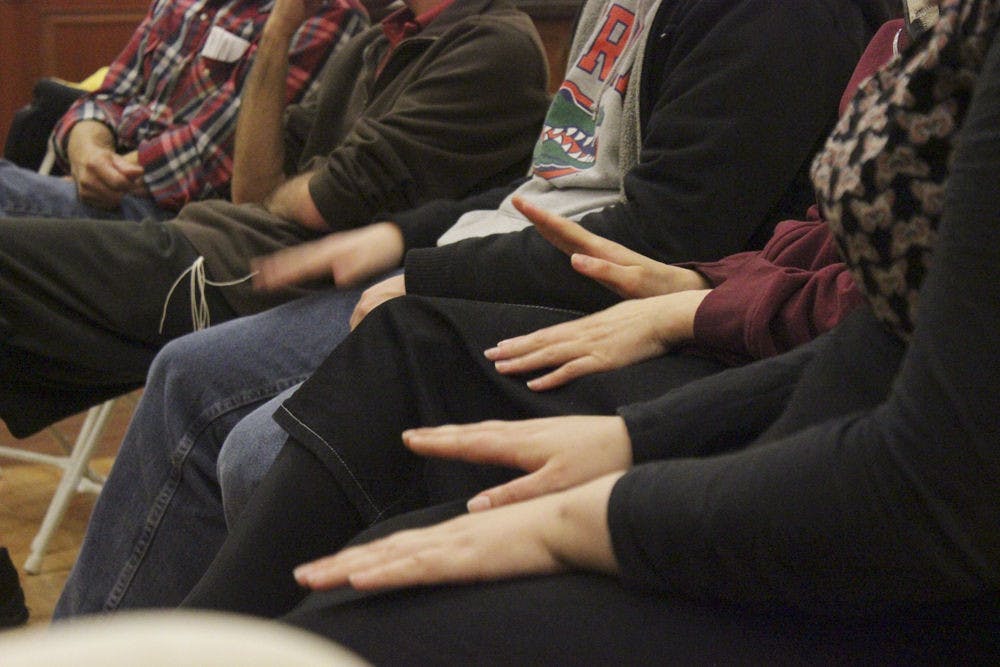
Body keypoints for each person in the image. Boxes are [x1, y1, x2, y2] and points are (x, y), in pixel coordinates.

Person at [175, 0, 999, 660]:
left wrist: (596, 505)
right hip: (798, 405)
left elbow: (931, 482)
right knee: (320, 385)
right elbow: (871, 311)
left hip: (908, 561)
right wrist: (643, 430)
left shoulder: (779, 20)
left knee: (344, 587)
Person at [0, 0, 551, 437]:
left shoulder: (492, 44)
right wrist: (278, 31)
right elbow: (252, 189)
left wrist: (289, 196)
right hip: (221, 242)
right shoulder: (374, 41)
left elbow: (324, 198)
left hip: (270, 276)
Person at [0, 0, 367, 221]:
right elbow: (108, 95)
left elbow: (213, 157)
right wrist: (88, 153)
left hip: (183, 219)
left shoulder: (323, 13)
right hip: (102, 184)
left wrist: (107, 173)